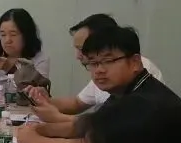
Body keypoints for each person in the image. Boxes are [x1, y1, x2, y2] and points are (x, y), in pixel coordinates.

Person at [17, 25, 181, 143]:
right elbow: (88, 125)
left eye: (108, 61)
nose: (99, 70)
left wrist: (34, 140)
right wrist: (40, 129)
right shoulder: (124, 90)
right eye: (93, 63)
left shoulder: (146, 102)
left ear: (135, 62)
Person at [25, 14, 162, 122]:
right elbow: (77, 103)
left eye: (82, 48)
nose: (78, 56)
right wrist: (45, 101)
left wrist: (57, 118)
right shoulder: (104, 72)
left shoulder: (138, 72)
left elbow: (112, 128)